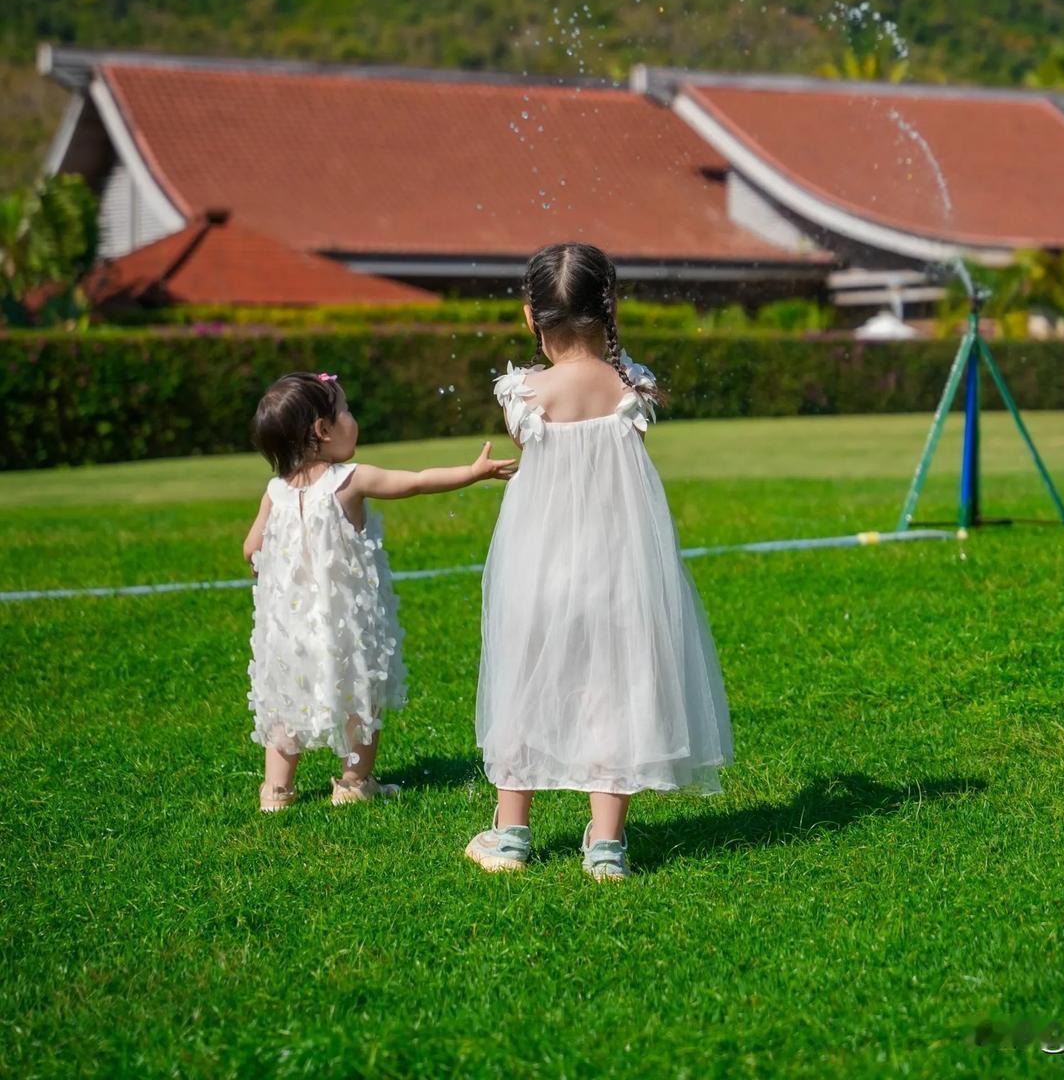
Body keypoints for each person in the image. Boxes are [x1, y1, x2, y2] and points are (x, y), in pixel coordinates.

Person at [468, 243, 734, 880]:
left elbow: (527, 436)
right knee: (616, 685)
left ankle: (511, 834)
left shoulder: (523, 393)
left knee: (526, 675)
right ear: (609, 308)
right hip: (620, 564)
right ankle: (606, 845)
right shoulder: (632, 387)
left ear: (531, 317)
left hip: (538, 564)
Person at [243, 369, 515, 812]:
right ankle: (353, 782)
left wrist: (271, 568)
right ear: (322, 430)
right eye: (345, 410)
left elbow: (251, 547)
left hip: (290, 631)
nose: (353, 419)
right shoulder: (349, 480)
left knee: (286, 701)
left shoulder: (273, 492)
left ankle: (276, 790)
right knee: (359, 699)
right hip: (345, 628)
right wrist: (472, 472)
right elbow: (417, 482)